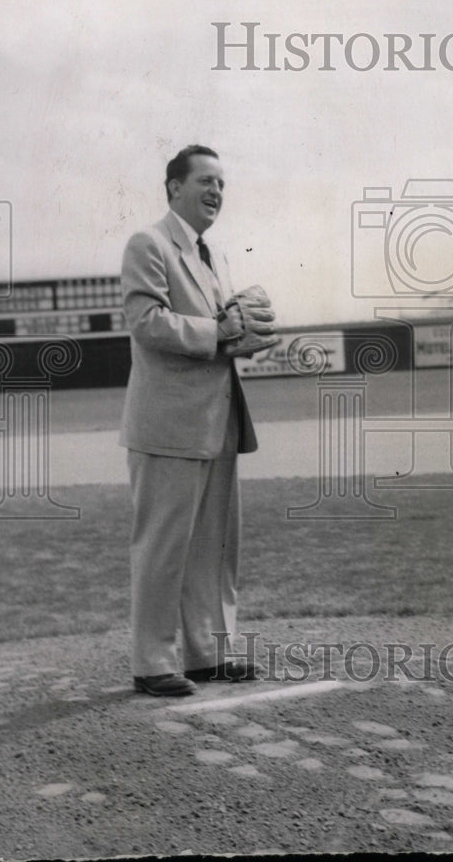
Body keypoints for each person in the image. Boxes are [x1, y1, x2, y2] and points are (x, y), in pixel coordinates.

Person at [119, 145, 260, 697]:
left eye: (222, 183)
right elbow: (146, 321)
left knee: (213, 545)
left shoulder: (213, 255)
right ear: (174, 187)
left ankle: (208, 654)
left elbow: (221, 330)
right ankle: (152, 661)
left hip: (217, 418)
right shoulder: (149, 244)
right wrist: (221, 331)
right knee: (163, 546)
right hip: (168, 425)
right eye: (205, 180)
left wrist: (245, 333)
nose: (216, 192)